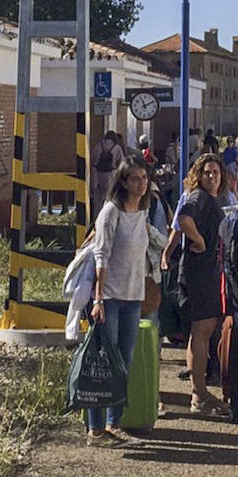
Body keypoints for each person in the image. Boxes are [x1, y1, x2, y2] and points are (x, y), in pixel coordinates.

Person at [86, 157, 156, 447]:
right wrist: (98, 298)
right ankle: (95, 428)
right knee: (104, 362)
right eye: (136, 178)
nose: (143, 183)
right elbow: (100, 254)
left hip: (133, 297)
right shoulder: (110, 212)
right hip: (110, 298)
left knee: (124, 363)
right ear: (124, 181)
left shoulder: (142, 211)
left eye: (145, 178)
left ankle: (115, 423)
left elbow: (148, 245)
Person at [176, 153, 233, 415]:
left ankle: (198, 391)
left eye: (215, 172)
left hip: (208, 272)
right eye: (206, 172)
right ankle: (199, 395)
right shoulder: (198, 197)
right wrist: (198, 240)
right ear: (198, 175)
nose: (211, 176)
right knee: (203, 332)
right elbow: (184, 220)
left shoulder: (214, 199)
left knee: (199, 334)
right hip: (199, 275)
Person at [91, 131, 125, 206]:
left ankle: (96, 213)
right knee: (109, 195)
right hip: (111, 174)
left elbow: (92, 158)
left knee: (98, 196)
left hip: (97, 173)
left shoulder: (99, 145)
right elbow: (122, 162)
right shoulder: (116, 147)